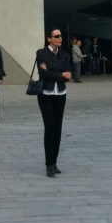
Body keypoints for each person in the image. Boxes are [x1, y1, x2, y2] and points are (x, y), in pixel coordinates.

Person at [36, 29, 72, 177]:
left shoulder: (65, 55)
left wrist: (53, 71)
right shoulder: (41, 53)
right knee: (49, 127)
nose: (60, 38)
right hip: (46, 94)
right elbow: (43, 74)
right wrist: (59, 74)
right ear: (49, 38)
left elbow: (68, 75)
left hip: (60, 94)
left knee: (57, 129)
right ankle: (48, 164)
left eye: (60, 36)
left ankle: (54, 162)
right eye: (57, 36)